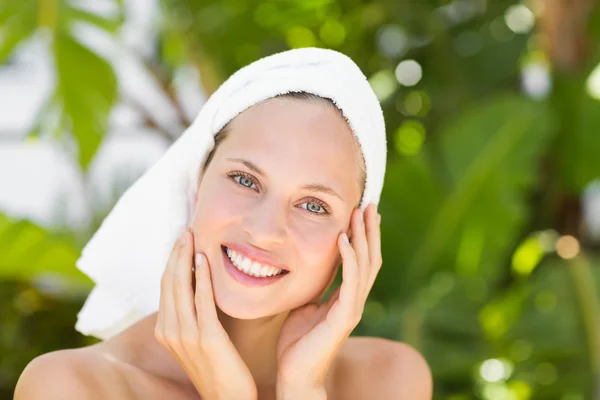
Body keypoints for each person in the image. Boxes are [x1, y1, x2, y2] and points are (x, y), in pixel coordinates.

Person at [15, 48, 432, 399]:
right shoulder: (73, 386)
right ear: (196, 184)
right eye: (245, 180)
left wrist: (303, 389)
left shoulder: (389, 379)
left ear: (358, 237)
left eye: (313, 205)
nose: (266, 228)